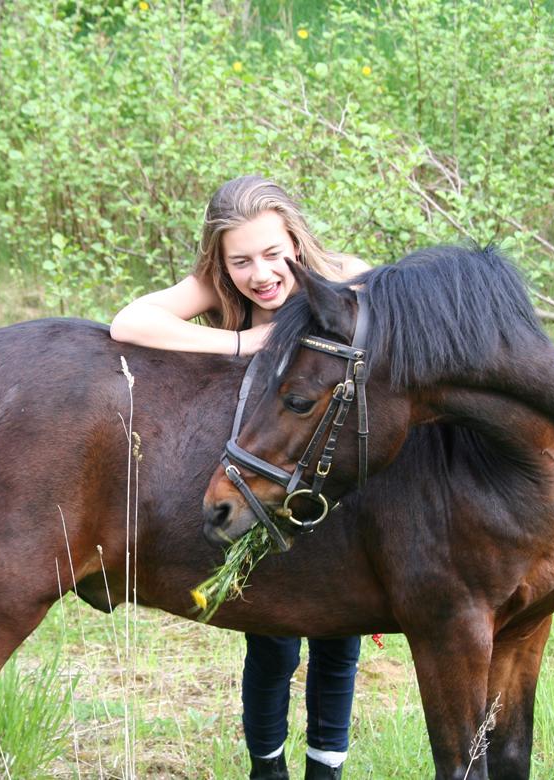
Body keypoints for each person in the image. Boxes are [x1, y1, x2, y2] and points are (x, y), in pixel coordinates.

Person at [110, 175, 371, 780]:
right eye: (242, 260)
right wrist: (244, 340)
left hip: (327, 485)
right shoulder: (218, 291)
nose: (261, 274)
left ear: (296, 245)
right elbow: (128, 322)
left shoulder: (344, 277)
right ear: (222, 263)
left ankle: (327, 769)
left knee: (340, 641)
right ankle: (267, 770)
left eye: (273, 254)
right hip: (257, 482)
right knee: (271, 639)